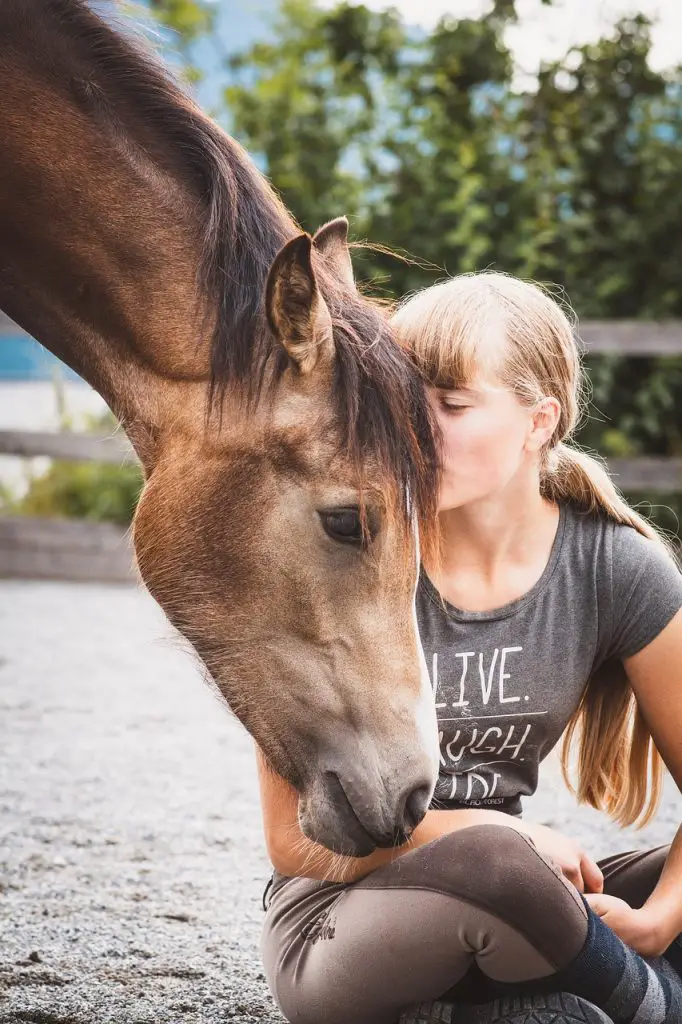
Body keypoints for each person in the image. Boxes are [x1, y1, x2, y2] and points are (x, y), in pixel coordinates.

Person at [255, 272, 682, 1024]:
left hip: (520, 902)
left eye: (451, 405)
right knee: (498, 867)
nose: (415, 428)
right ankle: (650, 1005)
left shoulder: (614, 567)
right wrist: (499, 828)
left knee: (526, 884)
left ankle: (532, 998)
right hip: (337, 921)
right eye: (402, 400)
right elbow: (293, 842)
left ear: (538, 421)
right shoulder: (338, 553)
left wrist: (659, 920)